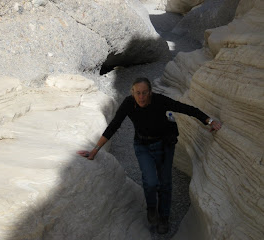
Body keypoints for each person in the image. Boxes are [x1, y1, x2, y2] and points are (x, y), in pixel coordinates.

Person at [78, 77, 222, 234]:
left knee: (165, 183)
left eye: (144, 93)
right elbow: (114, 125)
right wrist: (95, 150)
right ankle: (152, 209)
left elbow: (185, 109)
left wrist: (209, 121)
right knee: (151, 182)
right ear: (133, 92)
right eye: (138, 93)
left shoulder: (159, 101)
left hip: (164, 146)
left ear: (150, 92)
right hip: (143, 146)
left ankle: (164, 218)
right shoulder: (128, 103)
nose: (141, 97)